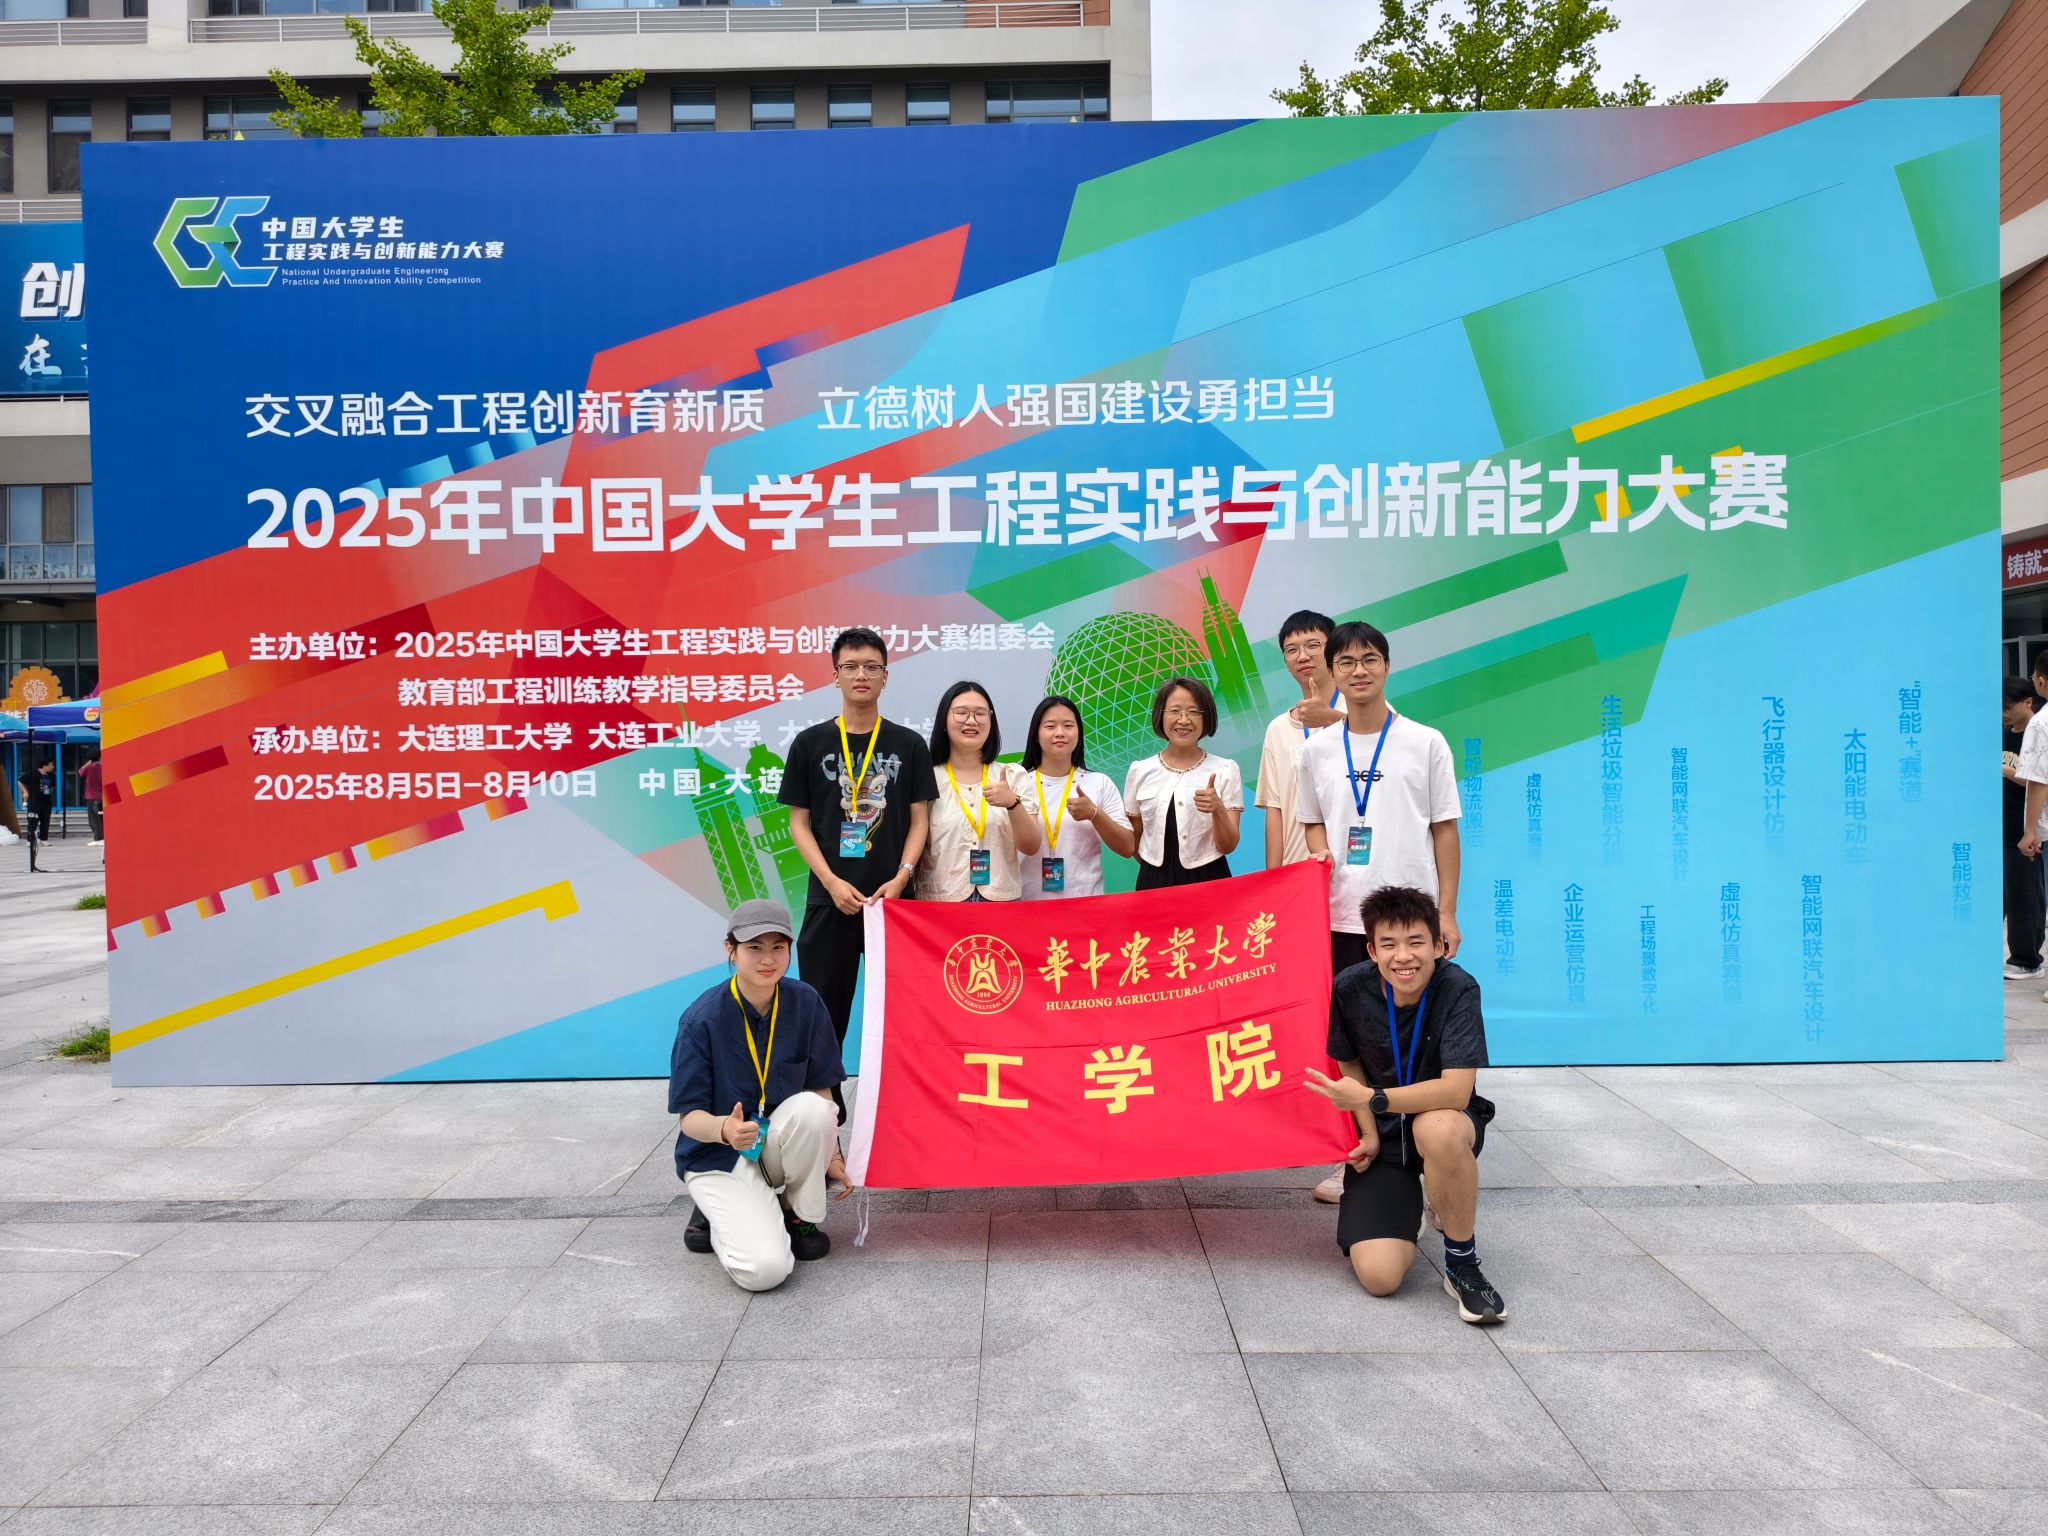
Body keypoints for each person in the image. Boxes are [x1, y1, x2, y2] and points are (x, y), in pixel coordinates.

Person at [1296, 620, 1462, 1204]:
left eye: (1369, 659)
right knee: (1353, 1043)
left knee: (1420, 1039)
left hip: (1412, 921)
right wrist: (1319, 848)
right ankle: (1358, 1151)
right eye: (1346, 662)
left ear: (1387, 666)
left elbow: (1445, 830)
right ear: (1331, 673)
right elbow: (1312, 820)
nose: (1358, 670)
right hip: (1345, 916)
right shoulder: (1315, 750)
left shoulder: (1425, 742)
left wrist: (1446, 912)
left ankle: (1430, 1158)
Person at [1305, 884, 1504, 1324]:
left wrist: (1374, 1099)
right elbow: (1348, 1063)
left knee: (1437, 1129)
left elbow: (1455, 1091)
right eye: (1389, 944)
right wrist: (1369, 1133)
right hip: (1386, 1137)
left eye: (1416, 942)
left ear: (1438, 946)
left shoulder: (1459, 989)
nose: (1403, 956)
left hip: (1445, 1122)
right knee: (1380, 1278)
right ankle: (1409, 1205)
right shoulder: (1350, 987)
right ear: (1372, 950)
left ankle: (1462, 1263)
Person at [777, 627, 938, 1076]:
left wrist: (902, 877)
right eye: (850, 667)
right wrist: (830, 882)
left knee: (907, 1016)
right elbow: (798, 823)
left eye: (871, 667)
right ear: (835, 676)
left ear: (886, 675)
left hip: (895, 904)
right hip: (830, 901)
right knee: (823, 1018)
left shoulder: (908, 744)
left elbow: (920, 820)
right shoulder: (810, 744)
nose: (861, 675)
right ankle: (826, 1114)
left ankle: (903, 1106)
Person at [670, 900, 852, 1288]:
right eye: (754, 947)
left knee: (818, 1110)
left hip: (773, 1143)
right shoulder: (702, 1019)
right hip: (719, 1154)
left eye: (777, 947)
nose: (768, 959)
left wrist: (833, 1155)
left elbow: (821, 1090)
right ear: (730, 950)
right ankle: (718, 1211)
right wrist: (724, 1129)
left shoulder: (805, 1002)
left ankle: (794, 1213)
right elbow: (689, 1118)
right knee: (766, 1272)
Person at [918, 680, 1039, 901]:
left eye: (981, 714)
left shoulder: (1012, 776)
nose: (971, 720)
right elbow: (914, 844)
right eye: (961, 713)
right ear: (944, 720)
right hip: (940, 905)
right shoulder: (927, 777)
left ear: (991, 722)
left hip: (1001, 903)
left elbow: (1030, 846)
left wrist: (1013, 804)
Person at [1122, 676, 1242, 888]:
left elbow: (1228, 846)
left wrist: (1217, 809)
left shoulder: (1225, 769)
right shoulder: (1140, 771)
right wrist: (1157, 869)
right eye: (1175, 711)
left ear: (1206, 717)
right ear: (1161, 715)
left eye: (1194, 712)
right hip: (1153, 882)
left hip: (1210, 880)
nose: (1184, 720)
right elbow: (1134, 841)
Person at [1017, 695, 1135, 898]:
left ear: (1079, 734)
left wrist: (1094, 814)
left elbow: (1127, 847)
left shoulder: (1098, 782)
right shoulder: (1018, 784)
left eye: (1068, 726)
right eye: (1050, 726)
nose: (1060, 733)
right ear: (1036, 734)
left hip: (1085, 904)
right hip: (1028, 903)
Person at [1256, 610, 1341, 872]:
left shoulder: (1363, 710)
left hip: (1355, 867)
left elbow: (1384, 739)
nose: (1302, 656)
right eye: (1291, 650)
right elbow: (1275, 810)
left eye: (1313, 645)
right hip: (1299, 869)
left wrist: (1332, 718)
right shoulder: (1278, 729)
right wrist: (1273, 878)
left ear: (1334, 649)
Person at [2004, 676, 2043, 980]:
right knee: (2005, 894)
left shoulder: (2037, 733)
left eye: (2008, 707)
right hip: (2001, 823)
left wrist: (2006, 771)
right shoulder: (2003, 734)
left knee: (2025, 895)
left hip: (2025, 826)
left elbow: (2039, 780)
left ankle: (2027, 959)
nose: (2003, 714)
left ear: (2028, 702)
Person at [21, 758, 54, 845]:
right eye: (51, 765)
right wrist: (25, 791)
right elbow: (20, 781)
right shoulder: (33, 773)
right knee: (32, 821)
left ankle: (43, 839)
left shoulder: (51, 775)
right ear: (45, 765)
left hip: (46, 802)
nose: (53, 767)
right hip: (34, 802)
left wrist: (48, 793)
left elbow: (52, 786)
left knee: (45, 821)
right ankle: (30, 840)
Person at [79, 753, 104, 847]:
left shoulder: (89, 767)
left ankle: (98, 838)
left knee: (94, 819)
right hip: (105, 795)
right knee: (103, 818)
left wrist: (89, 762)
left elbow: (80, 772)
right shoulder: (104, 766)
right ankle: (103, 837)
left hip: (92, 797)